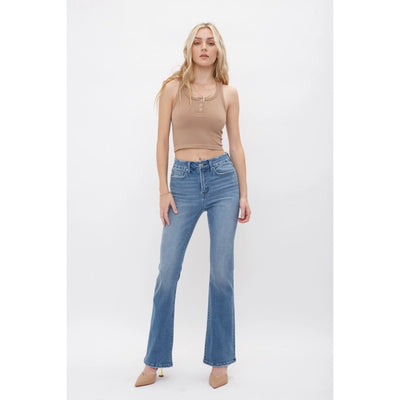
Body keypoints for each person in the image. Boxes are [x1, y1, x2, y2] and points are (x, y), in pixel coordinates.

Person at [135, 22, 251, 389]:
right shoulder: (172, 89)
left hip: (222, 181)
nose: (204, 47)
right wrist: (162, 190)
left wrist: (244, 192)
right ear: (190, 49)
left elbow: (236, 145)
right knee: (167, 273)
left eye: (210, 42)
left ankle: (219, 360)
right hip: (182, 183)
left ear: (218, 51)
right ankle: (154, 360)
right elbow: (161, 142)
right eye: (198, 42)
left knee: (221, 274)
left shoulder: (229, 93)